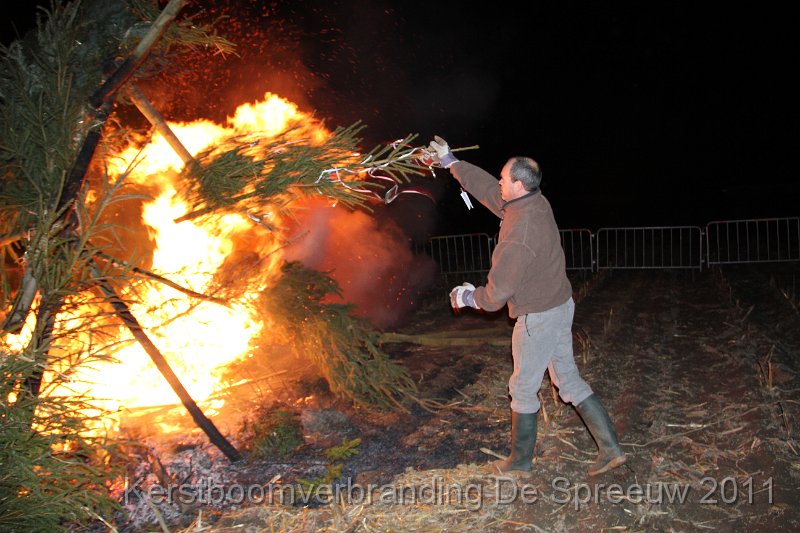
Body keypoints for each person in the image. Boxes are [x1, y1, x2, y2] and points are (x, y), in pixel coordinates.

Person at [427, 136, 626, 476]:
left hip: (539, 316)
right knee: (569, 381)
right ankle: (611, 450)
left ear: (518, 185)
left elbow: (495, 295)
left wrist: (465, 296)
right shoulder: (533, 201)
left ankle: (519, 462)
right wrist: (450, 161)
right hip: (559, 304)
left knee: (522, 388)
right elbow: (490, 189)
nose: (499, 181)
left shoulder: (520, 233)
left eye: (504, 178)